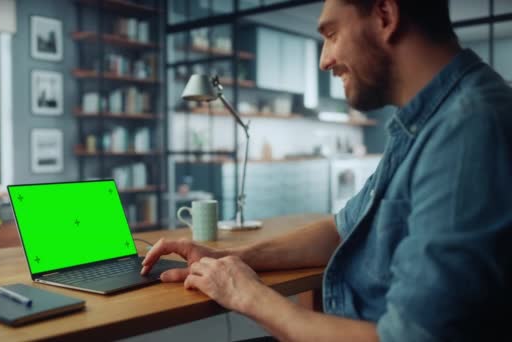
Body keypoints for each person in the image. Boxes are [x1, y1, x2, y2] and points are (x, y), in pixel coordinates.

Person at [141, 0, 512, 340]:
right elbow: (340, 229)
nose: (324, 60)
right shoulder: (426, 122)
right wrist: (229, 258)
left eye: (332, 35)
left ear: (385, 15)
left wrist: (246, 294)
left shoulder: (469, 130)